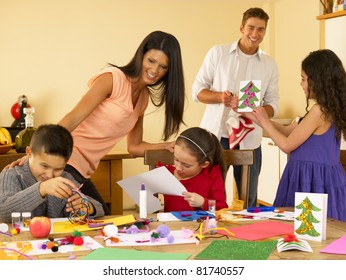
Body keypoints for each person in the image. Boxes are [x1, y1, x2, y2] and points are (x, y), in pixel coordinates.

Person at [7, 31, 186, 215]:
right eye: (151, 61)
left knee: (98, 216)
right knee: (104, 217)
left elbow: (134, 147)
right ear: (141, 56)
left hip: (84, 171)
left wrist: (166, 145)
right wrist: (39, 152)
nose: (155, 70)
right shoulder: (113, 78)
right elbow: (73, 117)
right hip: (68, 162)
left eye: (163, 66)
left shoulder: (143, 98)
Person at [191, 7, 279, 208]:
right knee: (210, 195)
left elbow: (274, 104)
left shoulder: (269, 64)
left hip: (250, 139)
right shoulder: (218, 53)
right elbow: (197, 90)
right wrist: (220, 97)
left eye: (261, 29)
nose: (255, 34)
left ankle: (247, 237)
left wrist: (256, 110)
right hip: (216, 137)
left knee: (249, 200)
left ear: (265, 31)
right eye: (250, 28)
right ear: (241, 27)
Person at [251, 49, 346, 222]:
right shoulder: (327, 109)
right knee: (317, 230)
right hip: (316, 177)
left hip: (311, 181)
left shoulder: (319, 111)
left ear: (317, 81)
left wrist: (265, 122)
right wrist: (253, 115)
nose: (301, 84)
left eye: (303, 79)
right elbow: (287, 130)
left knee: (305, 228)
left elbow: (287, 144)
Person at [0, 124, 105, 223]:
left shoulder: (65, 178)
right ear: (29, 153)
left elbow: (99, 208)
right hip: (19, 241)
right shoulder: (12, 175)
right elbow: (3, 212)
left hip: (55, 240)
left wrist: (87, 206)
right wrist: (42, 189)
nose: (50, 175)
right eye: (44, 166)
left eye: (58, 169)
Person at [157, 127, 228, 212]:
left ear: (204, 164)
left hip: (199, 224)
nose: (178, 168)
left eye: (186, 165)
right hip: (169, 224)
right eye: (176, 159)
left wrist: (203, 203)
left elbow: (222, 207)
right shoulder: (165, 173)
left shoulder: (211, 175)